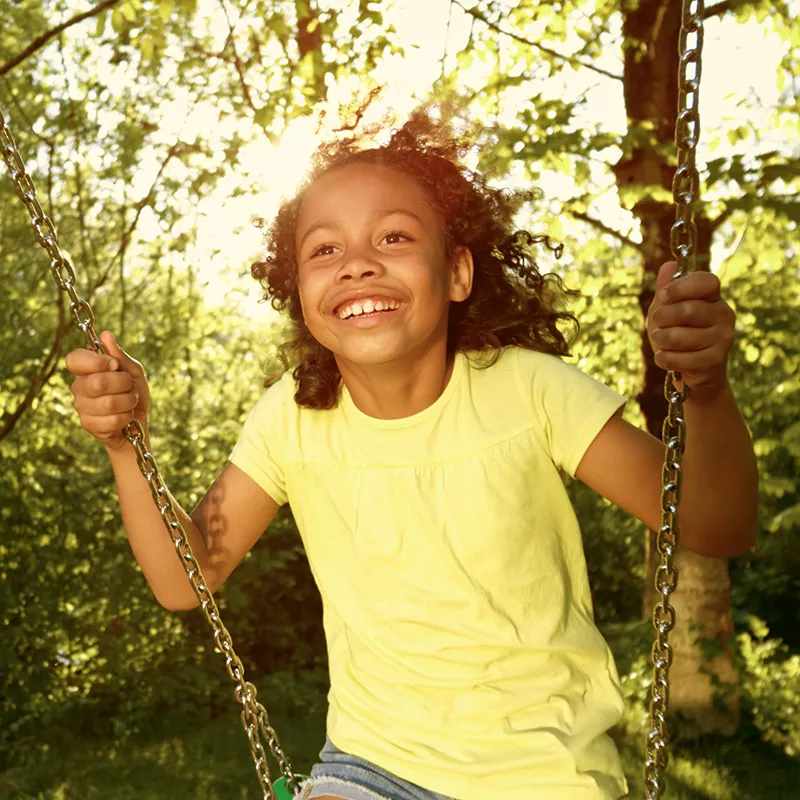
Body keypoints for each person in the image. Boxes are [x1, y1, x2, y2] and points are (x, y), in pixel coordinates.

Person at [65, 107, 758, 800]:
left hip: (546, 775)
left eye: (393, 236)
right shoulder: (292, 418)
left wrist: (704, 389)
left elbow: (714, 524)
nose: (358, 263)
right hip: (371, 764)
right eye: (324, 250)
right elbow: (189, 578)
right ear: (299, 292)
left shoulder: (530, 391)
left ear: (457, 272)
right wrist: (129, 451)